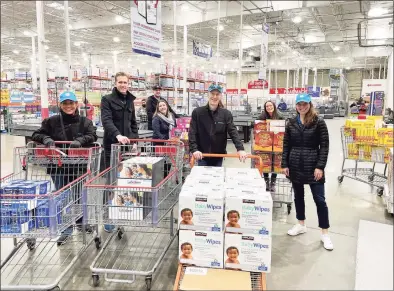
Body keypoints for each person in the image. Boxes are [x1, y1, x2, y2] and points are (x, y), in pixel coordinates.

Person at [32, 91, 98, 245]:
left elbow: (93, 135)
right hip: (58, 166)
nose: (69, 106)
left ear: (76, 104)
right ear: (60, 105)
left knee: (79, 195)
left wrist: (81, 140)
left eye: (71, 103)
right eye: (65, 103)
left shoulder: (85, 122)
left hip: (78, 165)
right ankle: (66, 229)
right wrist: (46, 138)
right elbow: (37, 134)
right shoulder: (51, 121)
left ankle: (81, 222)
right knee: (63, 197)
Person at [281, 93, 333, 251]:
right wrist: (284, 164)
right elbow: (286, 145)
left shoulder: (319, 122)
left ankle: (325, 233)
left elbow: (324, 146)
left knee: (320, 200)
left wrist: (320, 166)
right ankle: (301, 223)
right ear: (296, 106)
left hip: (313, 165)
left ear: (310, 104)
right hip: (295, 164)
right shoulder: (290, 122)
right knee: (298, 196)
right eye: (299, 104)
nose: (302, 107)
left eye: (304, 104)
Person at [101, 72, 138, 232]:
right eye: (120, 82)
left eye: (125, 82)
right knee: (111, 184)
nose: (123, 85)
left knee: (124, 182)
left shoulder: (130, 101)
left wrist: (134, 141)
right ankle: (108, 217)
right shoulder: (107, 99)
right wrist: (117, 135)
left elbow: (133, 123)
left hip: (126, 150)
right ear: (115, 83)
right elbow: (106, 120)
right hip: (112, 147)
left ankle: (121, 212)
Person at [189, 83, 247, 167]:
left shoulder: (226, 114)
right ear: (208, 95)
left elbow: (233, 131)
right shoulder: (198, 113)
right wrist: (194, 149)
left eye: (217, 94)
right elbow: (192, 132)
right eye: (212, 94)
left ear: (221, 96)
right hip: (202, 155)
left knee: (216, 178)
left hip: (218, 156)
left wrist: (240, 149)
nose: (215, 97)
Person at [257, 100, 284, 191]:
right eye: (267, 106)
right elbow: (256, 124)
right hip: (265, 142)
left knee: (274, 162)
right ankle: (266, 182)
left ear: (274, 106)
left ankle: (273, 182)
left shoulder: (279, 116)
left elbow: (284, 126)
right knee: (266, 162)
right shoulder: (263, 116)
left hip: (276, 142)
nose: (269, 107)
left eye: (270, 105)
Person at [152, 100, 176, 177]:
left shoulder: (171, 116)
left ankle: (165, 178)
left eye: (164, 105)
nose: (162, 107)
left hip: (170, 143)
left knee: (168, 161)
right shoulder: (156, 118)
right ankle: (159, 178)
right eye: (160, 106)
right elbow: (157, 132)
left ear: (167, 106)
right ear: (158, 108)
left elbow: (175, 127)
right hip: (159, 143)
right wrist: (166, 140)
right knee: (160, 162)